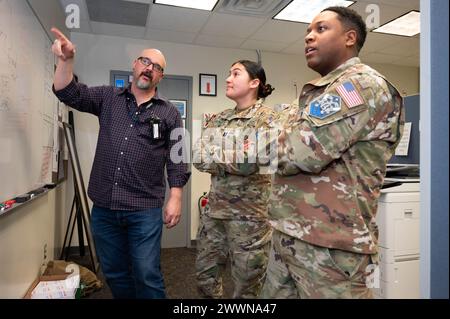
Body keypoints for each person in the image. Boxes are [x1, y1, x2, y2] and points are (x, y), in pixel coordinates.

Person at [261, 7, 404, 299]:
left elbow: (299, 152)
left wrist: (268, 144)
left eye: (321, 29)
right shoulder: (323, 91)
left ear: (350, 38)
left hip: (331, 251)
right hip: (292, 235)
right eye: (307, 32)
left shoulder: (359, 85)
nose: (309, 37)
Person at [50, 27, 190, 299]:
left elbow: (178, 157)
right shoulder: (107, 98)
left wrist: (176, 196)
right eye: (145, 62)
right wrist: (66, 61)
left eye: (157, 67)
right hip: (104, 207)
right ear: (135, 65)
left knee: (146, 273)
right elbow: (66, 92)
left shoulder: (170, 112)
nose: (149, 68)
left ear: (161, 76)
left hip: (144, 209)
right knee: (114, 272)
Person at [193, 60, 277, 298]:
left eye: (235, 74)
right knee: (205, 278)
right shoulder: (220, 119)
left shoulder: (269, 119)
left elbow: (254, 160)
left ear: (254, 82)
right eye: (228, 73)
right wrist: (237, 155)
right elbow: (198, 156)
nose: (228, 79)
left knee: (247, 286)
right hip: (214, 215)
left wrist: (218, 155)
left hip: (250, 220)